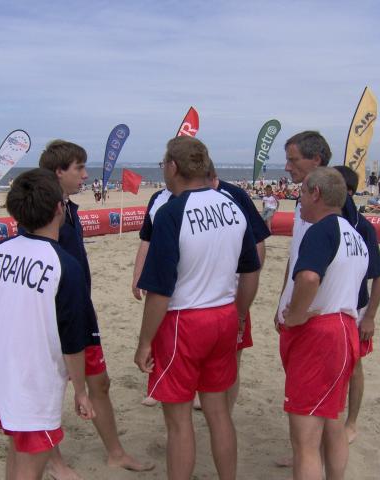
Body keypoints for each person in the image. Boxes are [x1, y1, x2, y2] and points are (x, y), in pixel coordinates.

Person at [134, 136, 261, 479]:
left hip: (184, 320)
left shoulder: (172, 211)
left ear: (173, 167)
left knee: (178, 422)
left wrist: (145, 341)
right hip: (223, 313)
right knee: (219, 412)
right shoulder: (231, 205)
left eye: (164, 166)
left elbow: (159, 290)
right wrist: (239, 313)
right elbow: (251, 270)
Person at [36, 140, 153, 476]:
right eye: (79, 169)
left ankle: (115, 453)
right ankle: (54, 460)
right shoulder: (42, 214)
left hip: (82, 311)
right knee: (50, 387)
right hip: (53, 316)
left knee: (100, 383)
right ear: (59, 172)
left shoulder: (70, 209)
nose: (86, 175)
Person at [0, 168, 95, 480]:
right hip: (32, 381)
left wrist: (6, 345)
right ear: (58, 208)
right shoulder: (66, 266)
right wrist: (80, 390)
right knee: (30, 463)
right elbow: (72, 343)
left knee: (18, 449)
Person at [133, 161, 270, 412]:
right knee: (213, 408)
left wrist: (242, 307)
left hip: (212, 302)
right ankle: (163, 387)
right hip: (215, 307)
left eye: (165, 164)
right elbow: (147, 240)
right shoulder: (160, 200)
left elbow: (256, 249)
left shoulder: (233, 197)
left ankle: (207, 398)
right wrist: (138, 274)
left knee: (185, 416)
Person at [276, 167, 368, 480]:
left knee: (305, 442)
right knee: (332, 421)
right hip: (345, 329)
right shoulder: (354, 234)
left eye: (301, 192)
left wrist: (297, 315)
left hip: (321, 334)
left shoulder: (321, 230)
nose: (298, 199)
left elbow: (309, 276)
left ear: (316, 193)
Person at [275, 130, 332, 469]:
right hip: (298, 311)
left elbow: (345, 265)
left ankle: (310, 456)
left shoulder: (332, 202)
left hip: (315, 319)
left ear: (316, 161)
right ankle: (307, 453)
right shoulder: (304, 198)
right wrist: (282, 300)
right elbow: (295, 258)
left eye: (293, 160)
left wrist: (297, 313)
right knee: (307, 401)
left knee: (316, 403)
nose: (286, 167)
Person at [334, 166, 380, 444]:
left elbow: (379, 275)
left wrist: (371, 318)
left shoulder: (362, 227)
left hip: (356, 308)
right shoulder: (319, 219)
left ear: (349, 192)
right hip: (328, 309)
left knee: (354, 367)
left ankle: (351, 423)